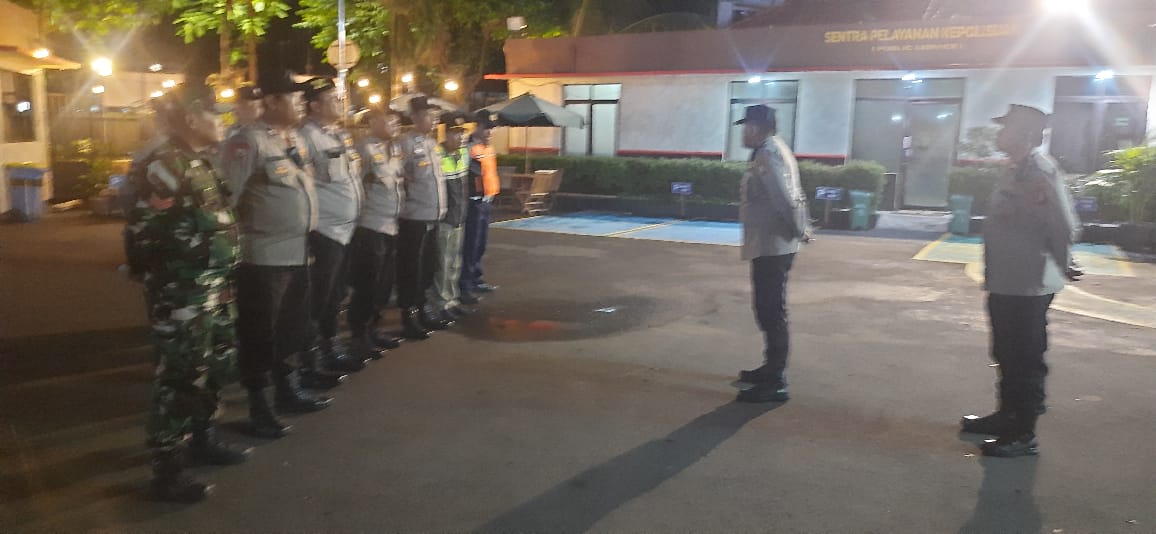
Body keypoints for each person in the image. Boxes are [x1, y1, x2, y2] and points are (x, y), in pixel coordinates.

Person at [124, 83, 251, 503]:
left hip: (214, 288)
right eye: (216, 115)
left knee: (214, 365)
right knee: (180, 375)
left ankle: (203, 437)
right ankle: (167, 467)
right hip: (184, 293)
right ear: (193, 119)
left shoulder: (201, 162)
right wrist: (167, 284)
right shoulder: (167, 166)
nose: (224, 122)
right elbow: (142, 231)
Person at [960, 104, 1081, 457]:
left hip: (1028, 282)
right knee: (1005, 352)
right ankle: (1006, 416)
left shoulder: (1038, 170)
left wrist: (1064, 262)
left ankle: (1023, 433)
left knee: (1025, 357)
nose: (1000, 134)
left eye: (1006, 128)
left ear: (1026, 134)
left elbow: (1062, 223)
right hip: (1006, 279)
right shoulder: (1015, 168)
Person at [221, 70, 331, 440]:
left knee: (291, 328)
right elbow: (226, 201)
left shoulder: (293, 139)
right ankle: (259, 405)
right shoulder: (246, 142)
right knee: (260, 334)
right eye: (294, 97)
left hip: (298, 253)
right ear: (270, 101)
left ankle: (288, 389)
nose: (302, 103)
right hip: (263, 258)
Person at [298, 77, 377, 373]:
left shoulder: (338, 135)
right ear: (314, 105)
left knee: (336, 294)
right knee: (318, 298)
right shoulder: (306, 137)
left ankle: (330, 347)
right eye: (332, 98)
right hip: (324, 231)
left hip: (346, 230)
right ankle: (310, 358)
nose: (340, 102)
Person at [733, 104, 808, 404]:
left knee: (771, 309)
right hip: (770, 244)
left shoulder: (767, 154)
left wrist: (799, 230)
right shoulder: (774, 149)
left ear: (758, 128)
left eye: (747, 126)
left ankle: (776, 380)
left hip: (773, 246)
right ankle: (770, 368)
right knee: (766, 307)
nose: (743, 132)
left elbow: (784, 198)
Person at [348, 108, 405, 352]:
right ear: (373, 123)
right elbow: (355, 183)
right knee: (367, 283)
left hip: (391, 224)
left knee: (384, 284)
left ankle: (374, 328)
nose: (395, 125)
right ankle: (359, 334)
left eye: (396, 122)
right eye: (389, 121)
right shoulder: (364, 148)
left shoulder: (395, 148)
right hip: (370, 225)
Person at [396, 96, 448, 340]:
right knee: (411, 268)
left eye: (435, 115)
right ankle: (409, 315)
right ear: (415, 118)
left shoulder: (432, 143)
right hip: (414, 216)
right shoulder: (405, 143)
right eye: (429, 115)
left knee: (429, 266)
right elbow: (399, 176)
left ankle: (423, 308)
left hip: (433, 214)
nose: (434, 119)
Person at [427, 122, 470, 323]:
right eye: (456, 133)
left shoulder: (463, 153)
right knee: (442, 264)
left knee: (455, 262)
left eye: (462, 133)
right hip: (444, 218)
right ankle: (440, 303)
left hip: (459, 217)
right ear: (446, 134)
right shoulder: (437, 154)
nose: (461, 138)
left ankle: (452, 299)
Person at [459, 111, 502, 303]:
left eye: (492, 129)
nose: (490, 132)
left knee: (481, 244)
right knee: (471, 244)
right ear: (477, 127)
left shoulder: (488, 147)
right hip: (473, 202)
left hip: (486, 201)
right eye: (486, 128)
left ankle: (476, 278)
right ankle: (465, 284)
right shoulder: (469, 147)